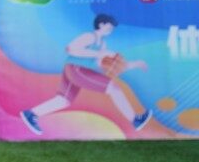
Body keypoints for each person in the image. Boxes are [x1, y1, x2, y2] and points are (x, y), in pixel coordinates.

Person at [20, 14, 151, 136]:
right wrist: (98, 54)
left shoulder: (102, 44)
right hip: (76, 69)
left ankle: (31, 114)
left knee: (64, 100)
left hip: (74, 70)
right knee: (113, 88)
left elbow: (104, 63)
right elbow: (70, 48)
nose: (111, 29)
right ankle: (135, 120)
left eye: (112, 28)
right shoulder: (90, 36)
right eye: (109, 26)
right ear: (101, 24)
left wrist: (135, 64)